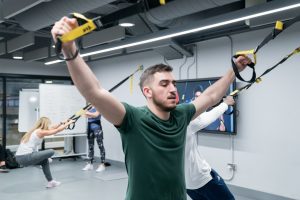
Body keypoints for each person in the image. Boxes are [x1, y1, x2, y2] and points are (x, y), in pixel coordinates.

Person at [51, 16, 249, 199]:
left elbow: (211, 95)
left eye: (173, 83)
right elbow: (94, 92)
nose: (172, 89)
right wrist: (70, 51)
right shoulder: (133, 119)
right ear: (147, 92)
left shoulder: (181, 115)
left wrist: (234, 69)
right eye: (164, 84)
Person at [185, 95, 235, 200]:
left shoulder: (154, 126)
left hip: (185, 183)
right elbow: (207, 117)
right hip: (203, 179)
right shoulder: (185, 123)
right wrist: (225, 104)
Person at [15, 117, 74, 188]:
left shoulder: (35, 131)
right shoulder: (40, 132)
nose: (49, 126)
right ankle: (46, 158)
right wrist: (68, 123)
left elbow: (53, 128)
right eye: (48, 124)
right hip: (26, 157)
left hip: (20, 159)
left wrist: (62, 123)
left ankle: (51, 182)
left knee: (44, 161)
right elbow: (56, 130)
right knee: (51, 151)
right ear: (45, 124)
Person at [82, 106, 106, 172]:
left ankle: (102, 164)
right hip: (89, 127)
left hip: (97, 126)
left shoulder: (99, 105)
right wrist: (90, 114)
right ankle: (90, 164)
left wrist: (88, 113)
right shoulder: (89, 107)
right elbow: (84, 115)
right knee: (90, 146)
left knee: (100, 145)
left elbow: (96, 115)